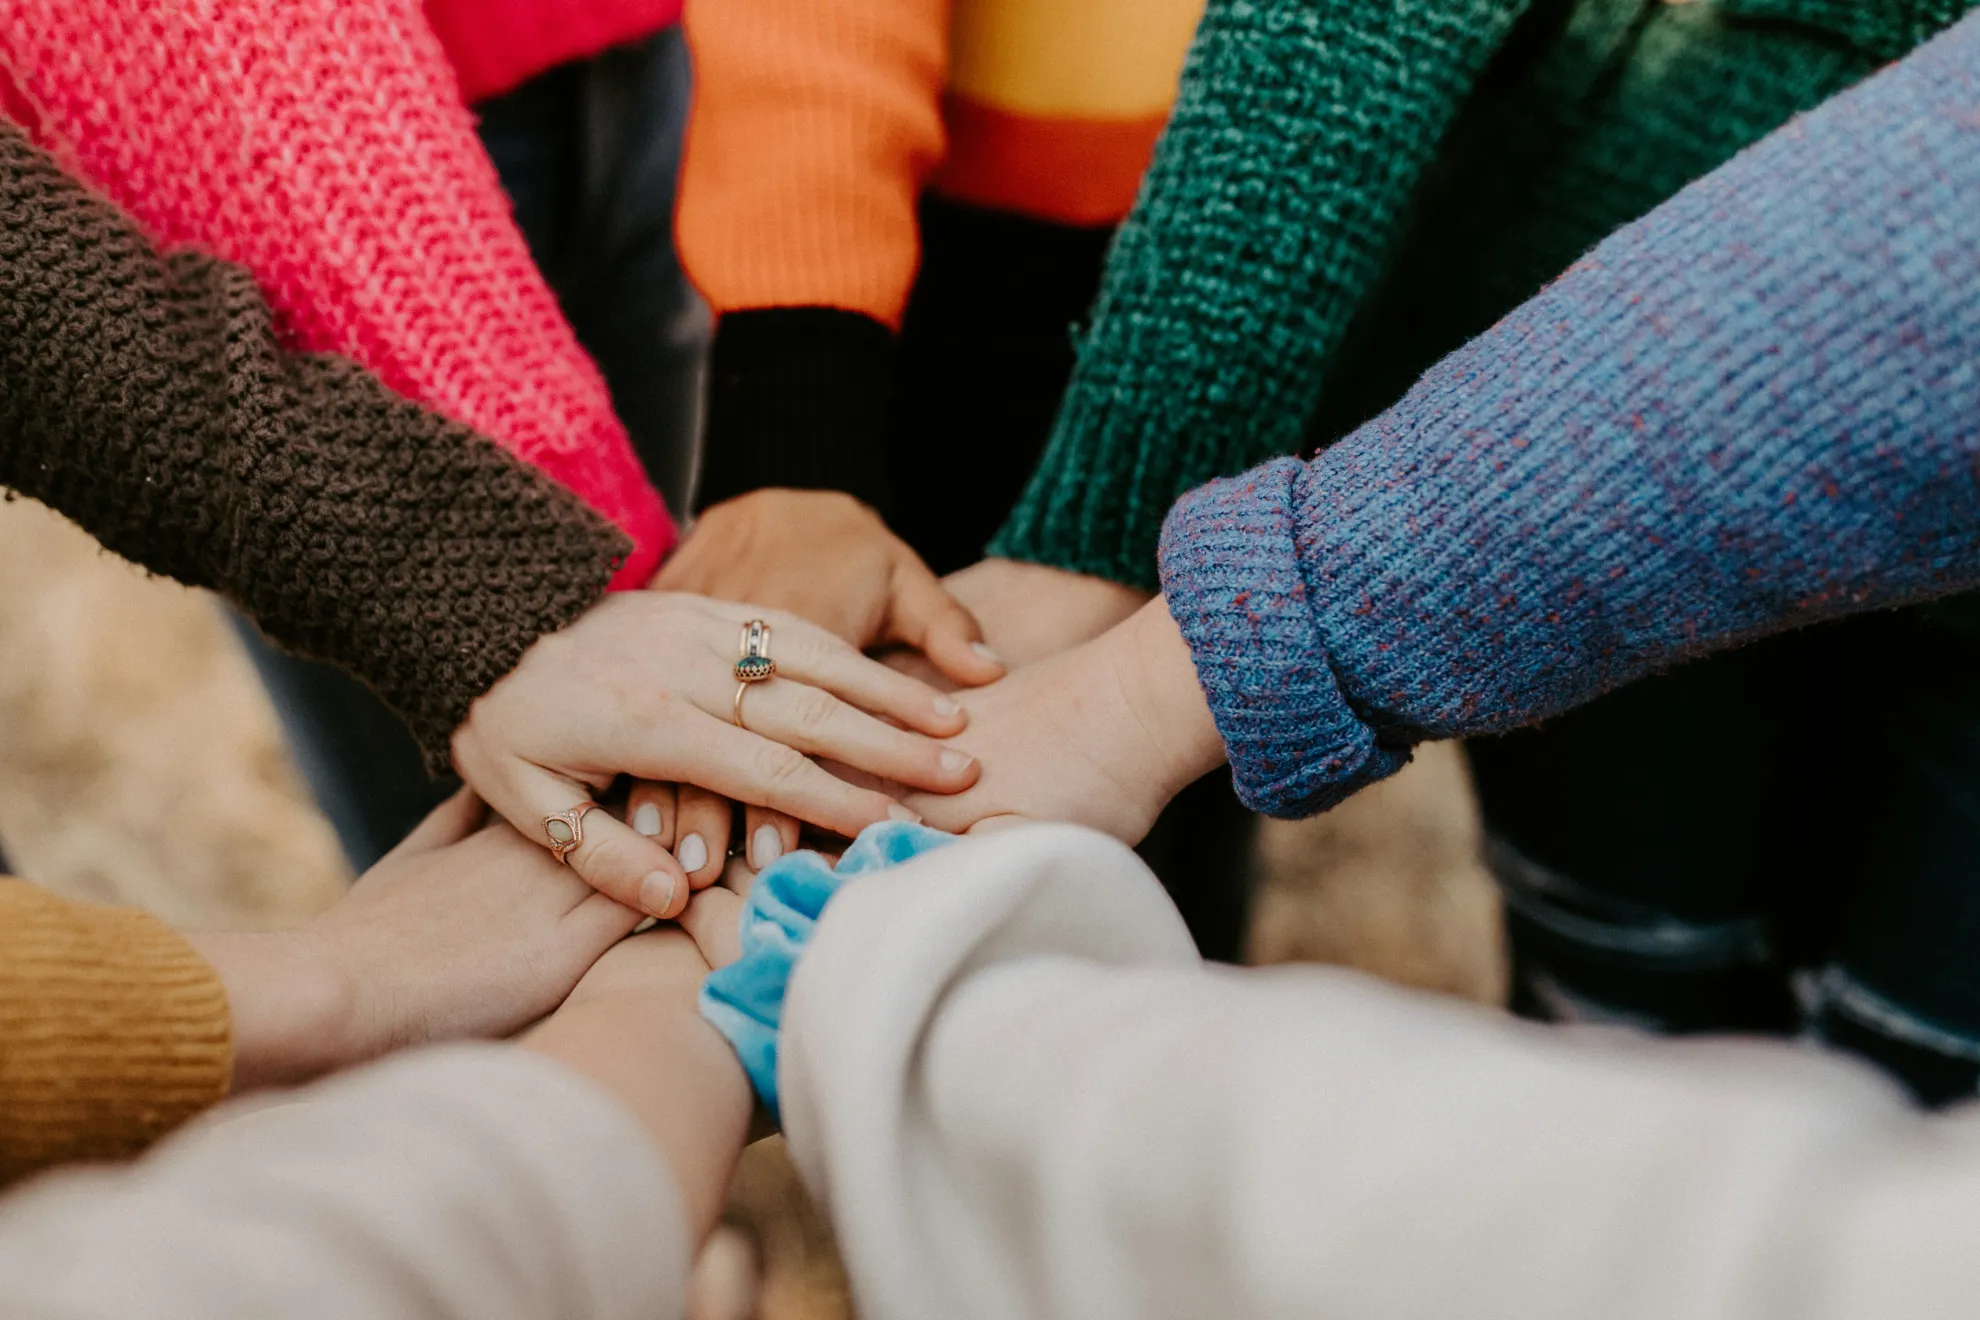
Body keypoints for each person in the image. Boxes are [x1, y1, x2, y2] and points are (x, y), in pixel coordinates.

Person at [902, 5, 1980, 1100]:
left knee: (1925, 1109)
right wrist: (1106, 540)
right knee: (1625, 1041)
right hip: (1576, 455)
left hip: (1569, 472)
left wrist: (1172, 652)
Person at [0, 116, 972, 925]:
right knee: (521, 903)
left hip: (645, 72)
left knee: (648, 743)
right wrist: (465, 584)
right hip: (286, 178)